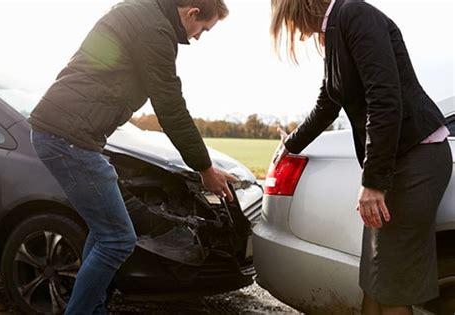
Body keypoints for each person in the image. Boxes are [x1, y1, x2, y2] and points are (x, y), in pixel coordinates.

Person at [28, 0, 235, 313]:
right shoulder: (155, 29)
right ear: (192, 12)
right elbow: (170, 105)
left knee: (105, 232)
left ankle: (92, 308)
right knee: (118, 239)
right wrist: (205, 168)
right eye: (203, 29)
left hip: (70, 134)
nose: (197, 37)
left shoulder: (141, 13)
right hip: (68, 138)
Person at [270, 0, 452, 314]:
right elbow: (328, 102)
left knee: (392, 287)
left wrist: (374, 183)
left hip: (416, 159)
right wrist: (292, 144)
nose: (290, 27)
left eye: (284, 16)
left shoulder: (354, 15)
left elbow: (384, 99)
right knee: (374, 278)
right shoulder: (337, 29)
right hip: (397, 161)